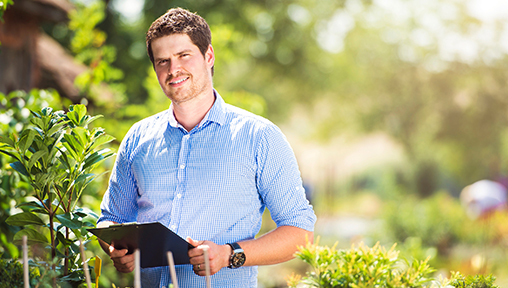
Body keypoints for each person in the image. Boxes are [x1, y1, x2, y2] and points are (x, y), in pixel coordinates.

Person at [96, 7, 316, 288]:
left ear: (208, 56)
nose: (173, 69)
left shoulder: (259, 137)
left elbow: (300, 232)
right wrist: (118, 251)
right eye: (162, 61)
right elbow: (111, 220)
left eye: (183, 56)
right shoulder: (138, 138)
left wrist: (229, 254)